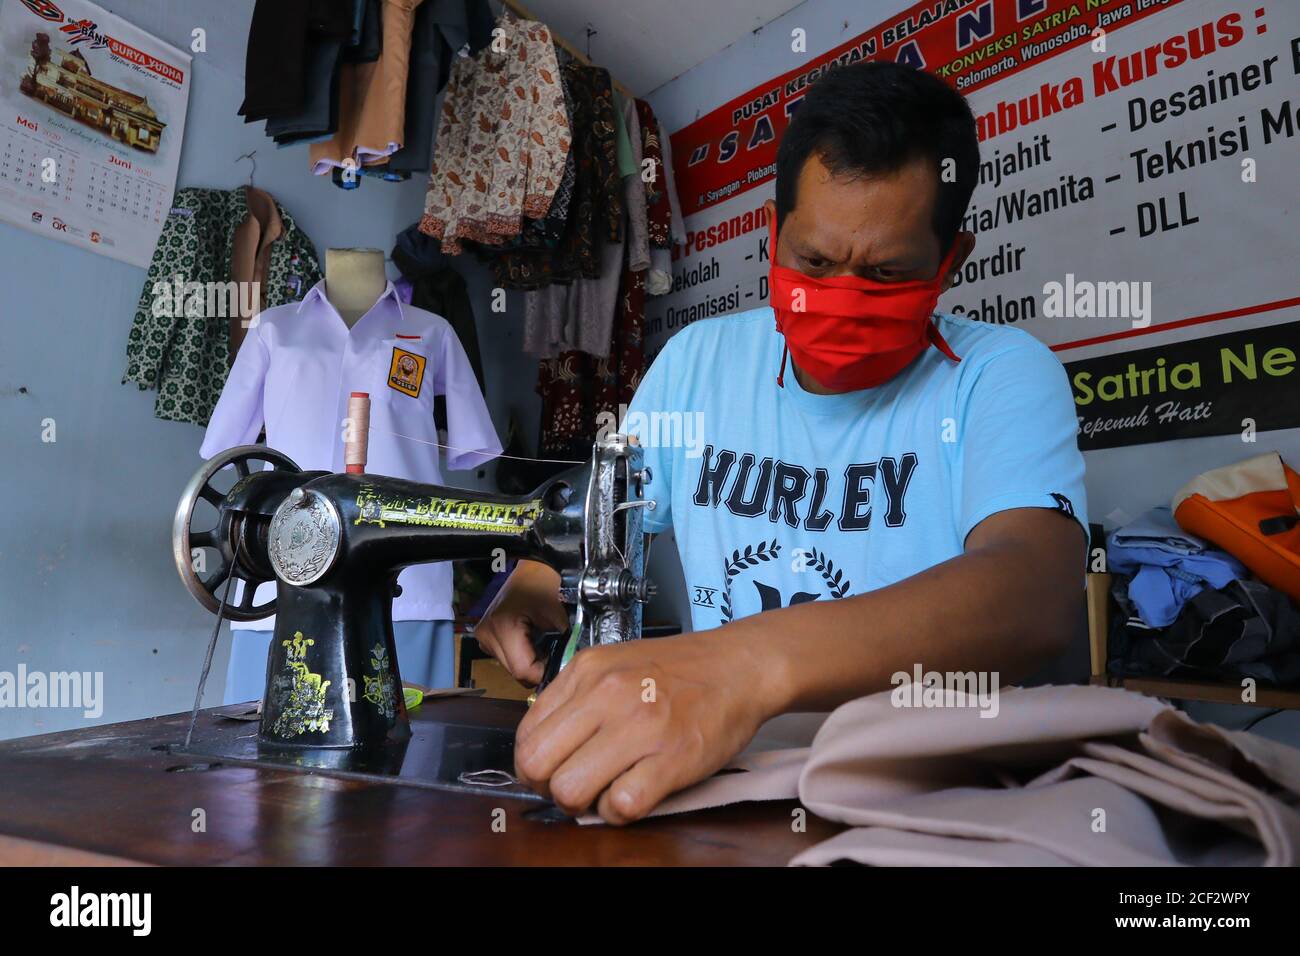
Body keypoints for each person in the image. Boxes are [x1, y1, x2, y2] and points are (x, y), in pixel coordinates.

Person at [475, 61, 1088, 823]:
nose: (843, 296)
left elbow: (1034, 591)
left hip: (928, 806)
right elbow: (603, 529)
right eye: (816, 263)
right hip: (723, 790)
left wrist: (745, 666)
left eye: (889, 272)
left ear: (950, 263)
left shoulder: (999, 376)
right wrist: (533, 583)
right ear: (773, 235)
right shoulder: (699, 364)